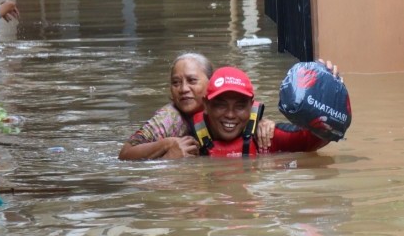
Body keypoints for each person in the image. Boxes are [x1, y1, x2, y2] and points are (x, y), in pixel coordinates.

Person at [118, 52, 275, 160]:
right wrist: (168, 145)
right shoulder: (169, 118)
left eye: (192, 81)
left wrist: (262, 124)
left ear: (211, 83)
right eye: (176, 83)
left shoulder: (233, 106)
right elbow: (125, 153)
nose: (184, 89)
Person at [191, 65, 335, 157]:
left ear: (251, 106)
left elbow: (320, 136)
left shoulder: (265, 138)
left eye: (240, 106)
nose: (230, 114)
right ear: (206, 105)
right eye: (221, 105)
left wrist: (327, 91)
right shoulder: (188, 139)